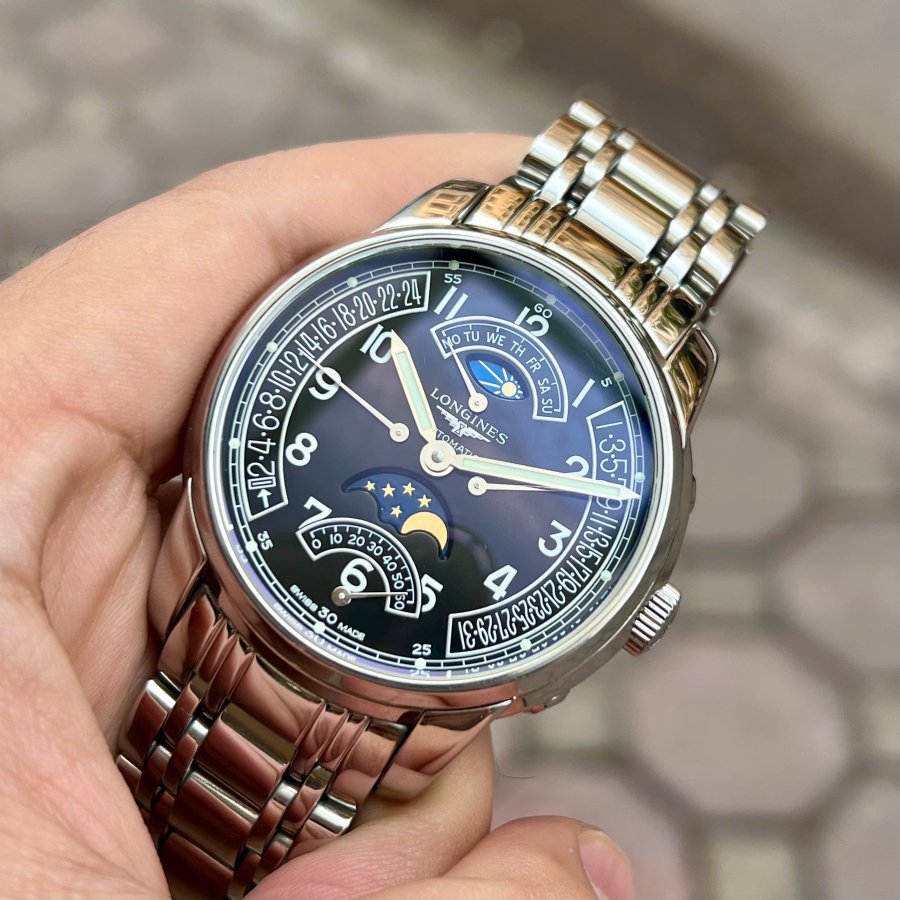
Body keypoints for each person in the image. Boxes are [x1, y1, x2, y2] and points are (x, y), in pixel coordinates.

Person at [0, 133, 634, 900]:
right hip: (222, 589)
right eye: (434, 445)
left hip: (377, 690)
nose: (438, 460)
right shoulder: (170, 587)